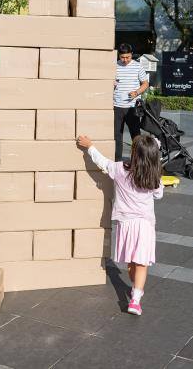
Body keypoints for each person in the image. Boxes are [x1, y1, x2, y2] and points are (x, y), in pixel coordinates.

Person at [77, 133, 163, 316]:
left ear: (133, 153)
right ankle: (135, 299)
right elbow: (159, 195)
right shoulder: (154, 176)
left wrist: (89, 145)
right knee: (141, 264)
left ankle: (135, 292)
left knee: (132, 263)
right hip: (145, 226)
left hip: (126, 225)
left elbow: (102, 161)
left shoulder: (120, 170)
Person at [114, 43, 149, 160]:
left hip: (132, 107)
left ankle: (137, 161)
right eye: (122, 57)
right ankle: (117, 162)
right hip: (116, 106)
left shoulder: (138, 66)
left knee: (136, 135)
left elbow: (145, 83)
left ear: (132, 55)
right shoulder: (114, 66)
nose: (125, 60)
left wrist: (136, 92)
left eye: (127, 57)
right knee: (117, 136)